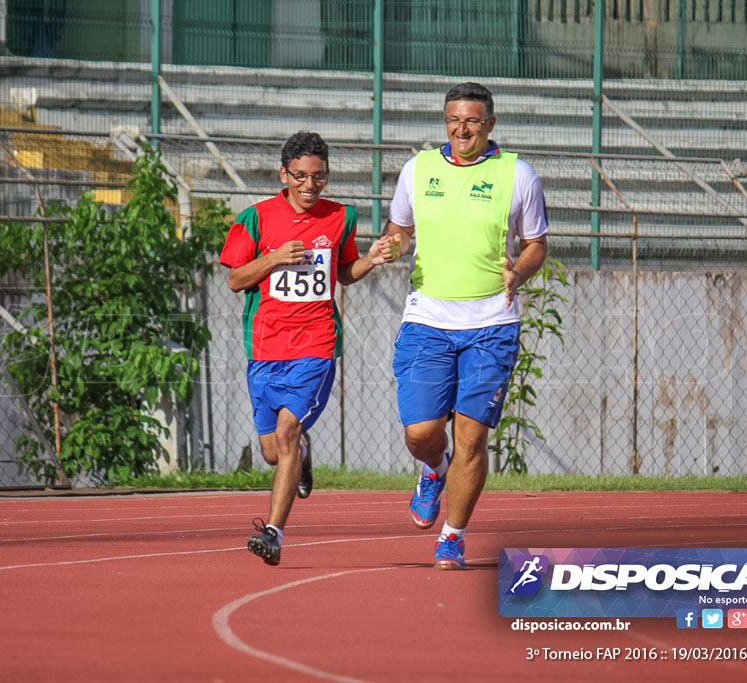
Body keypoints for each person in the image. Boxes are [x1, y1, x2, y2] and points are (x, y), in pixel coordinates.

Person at [383, 82, 550, 570]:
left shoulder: (518, 175)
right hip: (428, 320)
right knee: (420, 432)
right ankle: (433, 469)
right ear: (444, 121)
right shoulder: (418, 170)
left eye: (473, 120)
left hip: (492, 323)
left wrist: (519, 271)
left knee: (473, 439)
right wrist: (389, 247)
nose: (462, 128)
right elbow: (399, 229)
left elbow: (537, 242)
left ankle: (452, 537)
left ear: (490, 124)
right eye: (454, 119)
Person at [220, 131, 396, 567]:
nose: (309, 186)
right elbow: (236, 279)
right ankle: (301, 454)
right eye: (300, 176)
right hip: (264, 346)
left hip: (315, 344)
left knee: (285, 434)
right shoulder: (255, 218)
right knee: (272, 452)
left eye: (318, 177)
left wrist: (370, 260)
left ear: (326, 177)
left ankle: (275, 533)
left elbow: (343, 273)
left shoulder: (341, 217)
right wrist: (274, 258)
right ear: (284, 174)